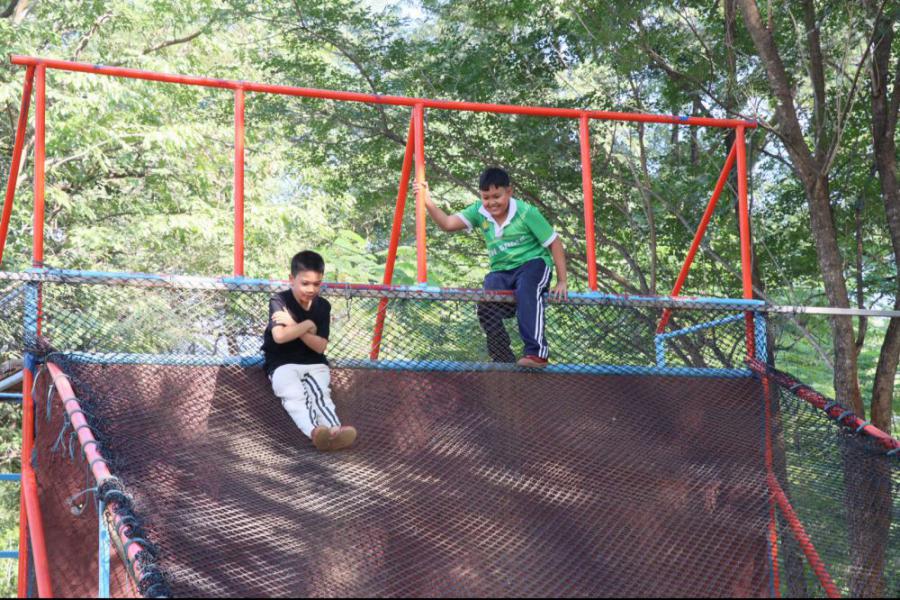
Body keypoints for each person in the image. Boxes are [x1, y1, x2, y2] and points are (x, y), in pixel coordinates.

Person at [417, 167, 568, 367]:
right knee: (486, 302)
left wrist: (562, 281)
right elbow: (447, 224)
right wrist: (427, 200)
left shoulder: (526, 212)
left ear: (509, 192)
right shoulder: (479, 211)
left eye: (497, 196)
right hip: (502, 271)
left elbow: (554, 242)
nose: (491, 202)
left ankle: (536, 353)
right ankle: (502, 358)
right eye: (486, 197)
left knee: (527, 289)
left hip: (532, 264)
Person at [262, 250, 357, 450]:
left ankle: (335, 431)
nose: (311, 289)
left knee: (320, 395)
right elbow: (280, 336)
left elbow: (320, 346)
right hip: (282, 363)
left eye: (316, 284)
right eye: (305, 283)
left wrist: (294, 324)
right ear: (292, 279)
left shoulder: (323, 306)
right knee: (294, 396)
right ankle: (315, 432)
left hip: (314, 363)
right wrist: (307, 326)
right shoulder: (280, 301)